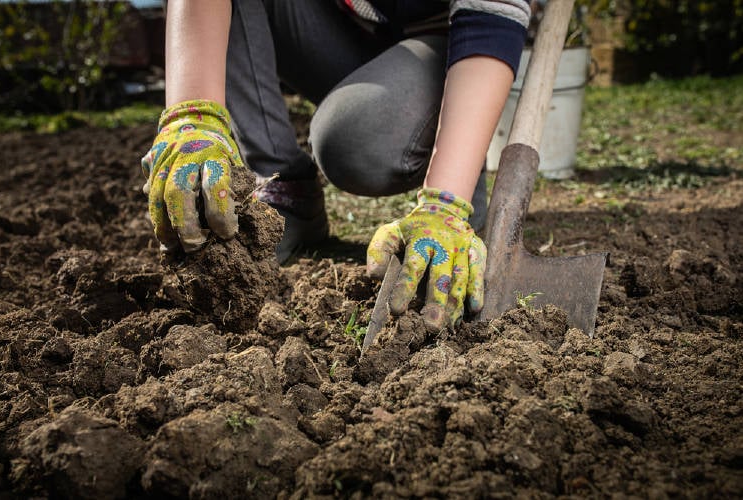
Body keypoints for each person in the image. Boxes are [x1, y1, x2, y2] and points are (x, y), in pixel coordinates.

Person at [141, 0, 531, 332]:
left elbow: (489, 17)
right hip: (338, 31)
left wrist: (445, 201)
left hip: (445, 47)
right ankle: (286, 189)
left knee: (354, 143)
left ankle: (459, 166)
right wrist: (191, 117)